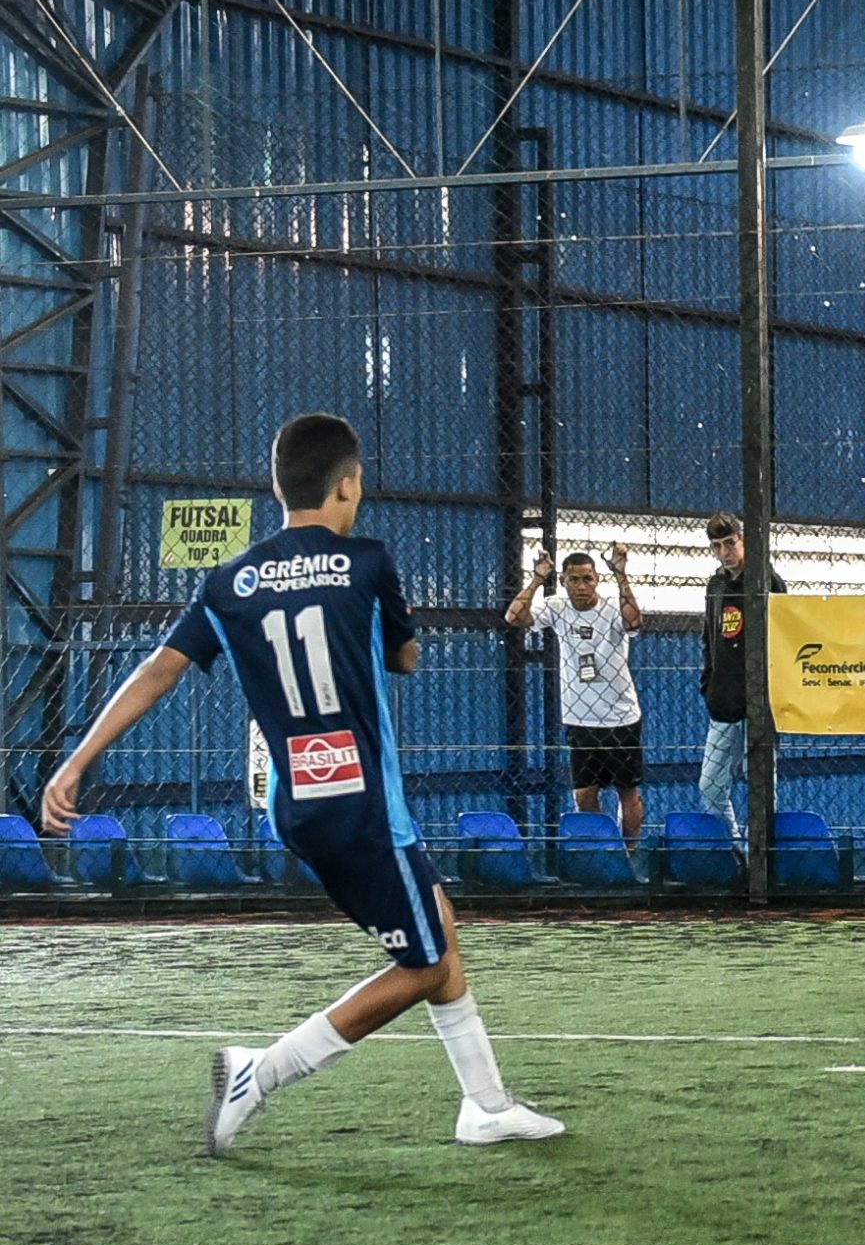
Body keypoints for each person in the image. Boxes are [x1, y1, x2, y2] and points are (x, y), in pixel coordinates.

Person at [39, 413, 559, 1153]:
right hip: (364, 806)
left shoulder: (231, 583)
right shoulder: (368, 561)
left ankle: (485, 1102)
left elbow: (157, 672)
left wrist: (76, 760)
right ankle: (262, 1071)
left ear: (277, 488)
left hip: (303, 803)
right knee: (425, 960)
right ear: (350, 485)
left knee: (437, 923)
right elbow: (405, 660)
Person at [506, 544, 647, 851]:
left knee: (628, 793)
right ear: (565, 581)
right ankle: (607, 854)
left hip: (621, 716)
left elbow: (634, 622)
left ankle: (631, 853)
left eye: (587, 579)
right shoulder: (556, 607)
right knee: (584, 796)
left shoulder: (612, 606)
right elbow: (514, 617)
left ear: (597, 579)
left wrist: (621, 574)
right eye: (574, 579)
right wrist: (536, 579)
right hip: (579, 718)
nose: (581, 586)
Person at [699, 510, 787, 840]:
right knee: (710, 787)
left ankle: (760, 856)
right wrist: (709, 684)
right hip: (723, 703)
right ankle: (734, 849)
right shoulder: (716, 584)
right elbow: (709, 636)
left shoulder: (767, 581)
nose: (725, 552)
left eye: (730, 543)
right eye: (718, 546)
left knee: (761, 787)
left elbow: (782, 640)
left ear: (743, 540)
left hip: (760, 704)